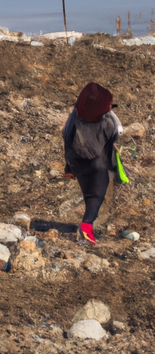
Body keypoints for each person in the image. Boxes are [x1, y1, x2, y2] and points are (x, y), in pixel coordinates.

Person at [62, 82, 122, 246]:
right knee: (95, 196)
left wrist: (69, 166)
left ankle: (87, 223)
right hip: (97, 163)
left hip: (76, 162)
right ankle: (87, 225)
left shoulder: (75, 117)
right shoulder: (106, 122)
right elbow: (115, 136)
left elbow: (66, 136)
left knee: (88, 191)